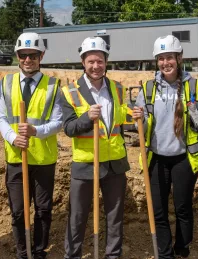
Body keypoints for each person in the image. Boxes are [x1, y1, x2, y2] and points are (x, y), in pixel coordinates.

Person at [132, 35, 198, 259]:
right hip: (156, 158)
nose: (165, 63)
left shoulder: (195, 87)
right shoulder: (148, 88)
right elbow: (143, 123)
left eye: (169, 57)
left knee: (183, 208)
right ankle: (165, 253)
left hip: (183, 159)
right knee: (158, 210)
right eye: (161, 58)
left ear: (179, 58)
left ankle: (182, 248)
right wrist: (139, 117)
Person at [0, 32, 64, 259]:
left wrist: (36, 131)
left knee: (43, 210)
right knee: (18, 210)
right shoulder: (6, 83)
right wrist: (13, 137)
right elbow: (0, 117)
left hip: (44, 159)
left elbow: (58, 121)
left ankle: (39, 250)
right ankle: (22, 252)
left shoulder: (53, 85)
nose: (28, 60)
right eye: (23, 55)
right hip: (16, 157)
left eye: (33, 55)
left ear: (41, 55)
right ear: (17, 55)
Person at [61, 36, 129, 259]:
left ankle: (112, 255)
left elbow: (122, 121)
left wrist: (137, 117)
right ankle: (73, 256)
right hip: (85, 164)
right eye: (90, 61)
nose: (95, 66)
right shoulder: (70, 92)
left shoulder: (118, 89)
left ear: (106, 61)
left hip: (115, 164)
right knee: (77, 217)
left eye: (99, 61)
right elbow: (69, 128)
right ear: (83, 62)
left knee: (114, 216)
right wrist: (86, 118)